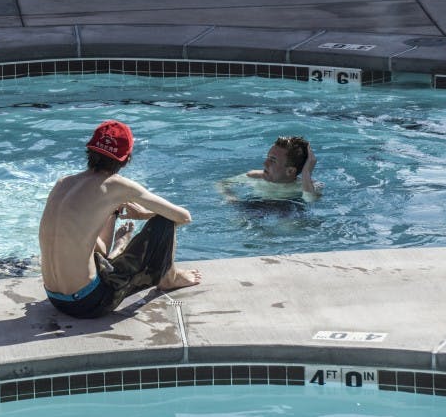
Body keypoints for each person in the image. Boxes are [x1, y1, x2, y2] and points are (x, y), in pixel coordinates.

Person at [38, 120, 201, 319]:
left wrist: (112, 214)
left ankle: (121, 246)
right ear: (126, 159)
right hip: (88, 302)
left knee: (98, 256)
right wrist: (143, 215)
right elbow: (183, 217)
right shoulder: (117, 185)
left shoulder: (62, 183)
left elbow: (100, 250)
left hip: (56, 299)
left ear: (90, 151)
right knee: (164, 221)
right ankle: (170, 278)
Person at [221, 135, 321, 203]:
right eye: (268, 157)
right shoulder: (255, 176)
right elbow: (223, 183)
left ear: (290, 171)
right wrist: (230, 196)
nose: (265, 163)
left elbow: (310, 200)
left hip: (287, 211)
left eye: (273, 160)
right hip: (255, 207)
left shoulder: (308, 186)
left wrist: (306, 172)